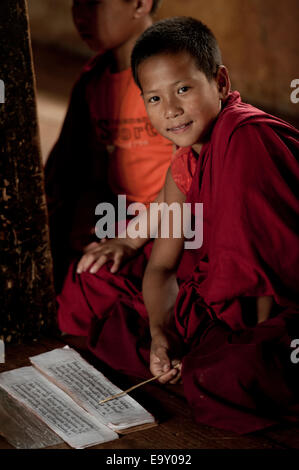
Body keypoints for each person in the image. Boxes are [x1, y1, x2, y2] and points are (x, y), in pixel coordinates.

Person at [66, 16, 299, 434]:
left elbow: (264, 278)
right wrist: (162, 334)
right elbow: (162, 266)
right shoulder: (184, 160)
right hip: (212, 298)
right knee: (91, 280)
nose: (170, 110)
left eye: (183, 89)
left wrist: (225, 343)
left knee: (224, 376)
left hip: (271, 311)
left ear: (221, 82)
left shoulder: (246, 138)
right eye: (153, 99)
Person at [44, 0, 171, 293]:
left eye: (93, 2)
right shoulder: (94, 81)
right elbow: (84, 166)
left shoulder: (174, 73)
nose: (80, 15)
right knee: (79, 268)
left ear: (140, 4)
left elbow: (193, 168)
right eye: (76, 2)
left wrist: (131, 236)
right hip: (120, 216)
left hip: (176, 218)